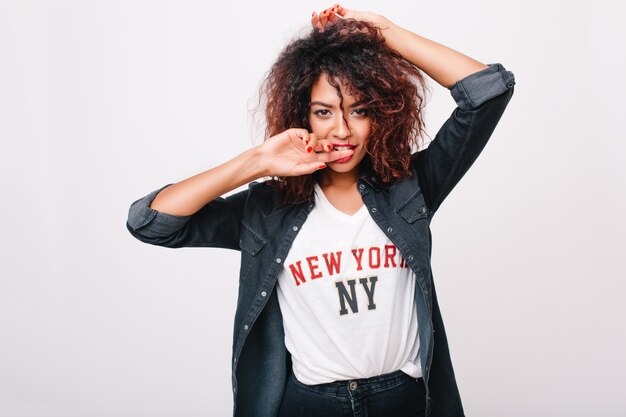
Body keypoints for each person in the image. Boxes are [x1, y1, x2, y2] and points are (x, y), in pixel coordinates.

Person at [126, 4, 515, 417]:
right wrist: (256, 162)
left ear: (380, 116)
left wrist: (382, 31)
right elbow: (150, 222)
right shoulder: (267, 210)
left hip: (403, 399)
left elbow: (487, 91)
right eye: (324, 112)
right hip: (309, 404)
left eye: (359, 110)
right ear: (302, 116)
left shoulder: (410, 188)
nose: (343, 130)